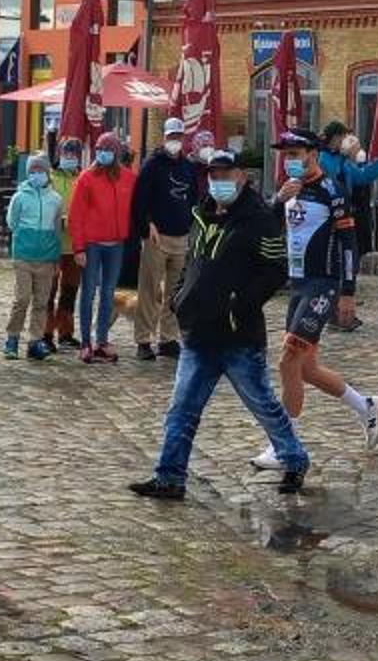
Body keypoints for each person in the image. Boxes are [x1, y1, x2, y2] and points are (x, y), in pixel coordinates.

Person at [127, 148, 312, 501]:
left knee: (263, 405)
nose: (218, 181)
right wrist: (180, 298)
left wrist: (239, 303)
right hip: (198, 333)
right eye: (213, 175)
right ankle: (169, 476)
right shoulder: (201, 214)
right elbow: (193, 262)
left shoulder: (258, 218)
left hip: (238, 336)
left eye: (225, 174)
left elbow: (275, 270)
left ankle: (294, 457)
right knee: (182, 410)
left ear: (241, 176)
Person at [260, 129, 378, 462]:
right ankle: (365, 405)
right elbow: (267, 227)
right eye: (285, 155)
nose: (289, 160)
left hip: (323, 284)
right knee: (306, 369)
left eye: (295, 154)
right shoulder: (289, 188)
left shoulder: (332, 190)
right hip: (297, 284)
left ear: (313, 155)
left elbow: (348, 242)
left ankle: (284, 445)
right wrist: (277, 202)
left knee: (288, 360)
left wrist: (348, 290)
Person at [130, 116, 201, 361]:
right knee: (149, 291)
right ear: (164, 137)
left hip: (181, 237)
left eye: (178, 136)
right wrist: (146, 225)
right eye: (171, 137)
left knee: (175, 293)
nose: (175, 140)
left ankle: (168, 338)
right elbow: (139, 200)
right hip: (157, 237)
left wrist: (191, 227)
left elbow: (194, 199)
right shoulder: (152, 165)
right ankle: (143, 340)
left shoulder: (188, 167)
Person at [313, 119, 378, 330]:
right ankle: (335, 315)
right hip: (328, 217)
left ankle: (339, 313)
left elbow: (360, 177)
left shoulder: (341, 159)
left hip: (344, 215)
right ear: (335, 137)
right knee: (335, 264)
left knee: (347, 263)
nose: (345, 141)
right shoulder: (322, 158)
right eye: (343, 137)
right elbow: (329, 181)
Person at [69, 130, 135, 360]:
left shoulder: (128, 178)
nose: (103, 153)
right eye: (99, 149)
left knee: (108, 293)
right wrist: (78, 247)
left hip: (116, 243)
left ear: (116, 153)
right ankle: (85, 343)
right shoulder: (86, 178)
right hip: (92, 243)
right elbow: (76, 215)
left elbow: (137, 207)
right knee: (88, 292)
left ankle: (102, 340)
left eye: (107, 150)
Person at [5, 152, 65, 358]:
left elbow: (57, 230)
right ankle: (12, 338)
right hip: (23, 255)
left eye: (40, 170)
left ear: (47, 172)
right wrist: (24, 238)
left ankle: (35, 340)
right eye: (32, 170)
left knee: (41, 301)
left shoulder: (55, 199)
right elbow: (12, 222)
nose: (36, 173)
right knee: (21, 299)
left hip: (46, 258)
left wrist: (56, 258)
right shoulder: (19, 197)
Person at [48, 132, 85, 346]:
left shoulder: (83, 178)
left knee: (70, 291)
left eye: (73, 153)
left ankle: (66, 332)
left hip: (75, 245)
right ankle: (46, 332)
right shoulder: (49, 177)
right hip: (52, 244)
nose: (70, 156)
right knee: (49, 290)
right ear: (59, 154)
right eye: (66, 152)